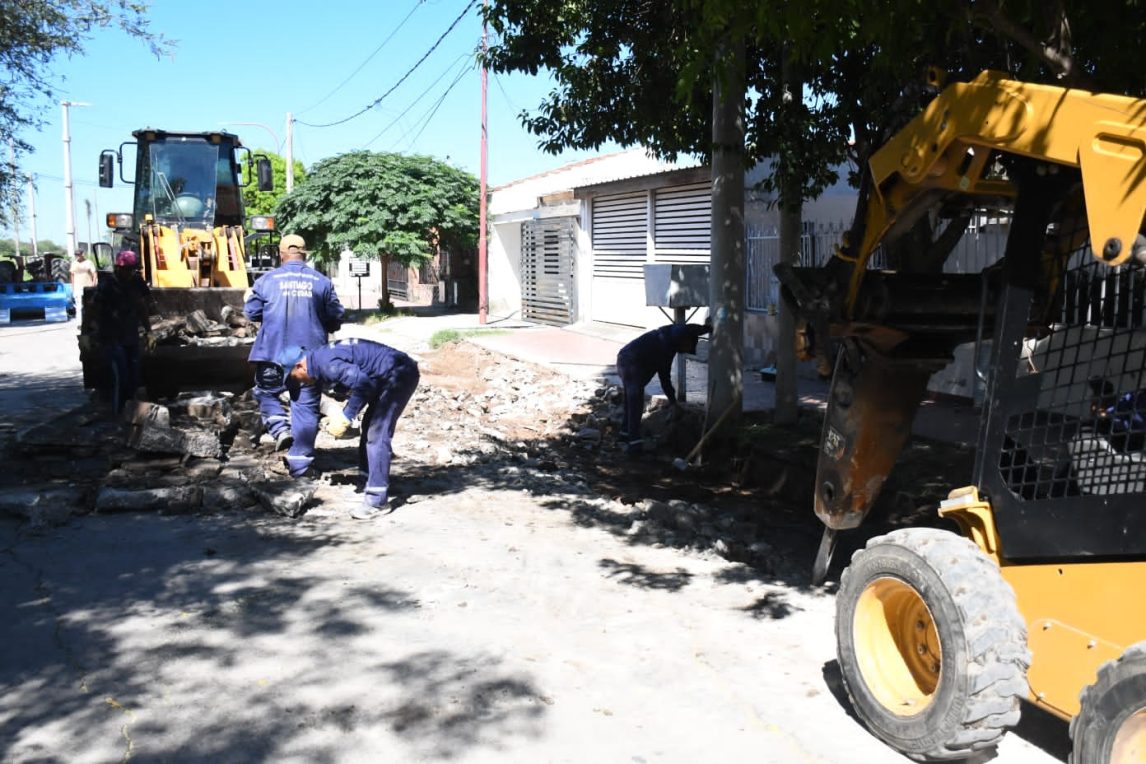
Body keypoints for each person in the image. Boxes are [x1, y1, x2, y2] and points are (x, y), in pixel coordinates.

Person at [277, 338, 420, 519]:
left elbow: (363, 383)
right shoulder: (320, 358)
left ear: (300, 366)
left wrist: (346, 416)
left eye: (294, 378)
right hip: (386, 375)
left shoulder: (325, 364)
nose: (300, 383)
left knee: (377, 433)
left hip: (400, 374)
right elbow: (363, 380)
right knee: (369, 427)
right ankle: (366, 483)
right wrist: (346, 410)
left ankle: (377, 501)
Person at [243, 233, 344, 459]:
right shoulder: (322, 282)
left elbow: (251, 313)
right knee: (306, 409)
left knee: (266, 392)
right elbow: (336, 319)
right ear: (304, 255)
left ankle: (280, 429)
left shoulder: (266, 281)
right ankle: (301, 463)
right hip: (310, 360)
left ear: (280, 254)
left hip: (272, 355)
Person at [615, 322, 710, 450]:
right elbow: (665, 379)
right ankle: (634, 444)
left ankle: (624, 434)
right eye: (688, 347)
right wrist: (706, 328)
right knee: (635, 401)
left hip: (625, 359)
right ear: (685, 340)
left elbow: (665, 379)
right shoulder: (670, 341)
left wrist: (673, 402)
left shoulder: (669, 340)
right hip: (631, 361)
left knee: (631, 399)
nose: (686, 350)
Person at [92, 250, 153, 414]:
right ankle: (118, 412)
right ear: (117, 268)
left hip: (131, 336)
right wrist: (87, 332)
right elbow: (94, 310)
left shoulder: (136, 281)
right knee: (121, 376)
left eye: (132, 269)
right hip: (111, 338)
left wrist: (149, 331)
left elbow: (142, 306)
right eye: (126, 269)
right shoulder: (107, 285)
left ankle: (131, 411)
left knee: (134, 377)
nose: (129, 273)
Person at [70, 249, 98, 323]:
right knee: (79, 307)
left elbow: (94, 273)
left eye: (78, 254)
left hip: (87, 286)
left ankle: (90, 322)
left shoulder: (89, 263)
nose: (77, 256)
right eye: (76, 255)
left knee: (89, 305)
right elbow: (72, 275)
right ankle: (79, 323)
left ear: (82, 254)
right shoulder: (74, 263)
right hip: (77, 287)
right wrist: (73, 287)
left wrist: (93, 283)